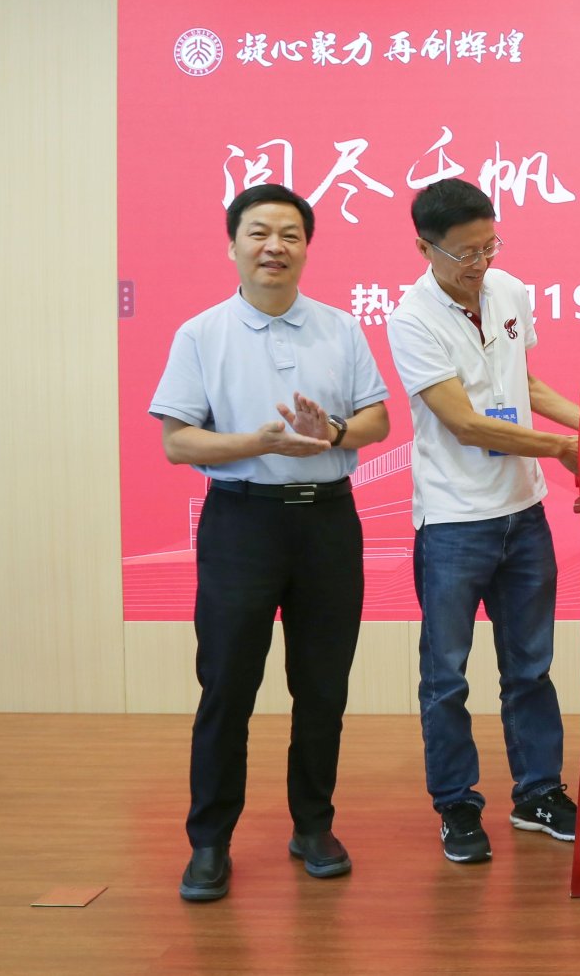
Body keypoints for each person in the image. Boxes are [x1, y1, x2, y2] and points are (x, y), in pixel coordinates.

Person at [151, 183, 391, 902]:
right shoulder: (201, 334)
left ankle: (313, 826)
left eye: (289, 234)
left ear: (307, 248)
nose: (274, 247)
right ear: (233, 245)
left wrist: (335, 432)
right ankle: (209, 842)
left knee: (322, 686)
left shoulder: (341, 328)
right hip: (241, 523)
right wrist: (255, 442)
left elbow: (377, 420)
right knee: (227, 685)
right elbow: (178, 441)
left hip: (327, 523)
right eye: (258, 233)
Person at [384, 177, 580, 866]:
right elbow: (465, 421)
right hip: (453, 522)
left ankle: (539, 792)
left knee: (531, 667)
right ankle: (457, 803)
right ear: (425, 249)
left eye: (489, 246)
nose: (481, 263)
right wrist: (561, 448)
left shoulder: (509, 291)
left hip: (523, 514)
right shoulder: (410, 319)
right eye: (465, 253)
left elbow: (522, 385)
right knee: (446, 675)